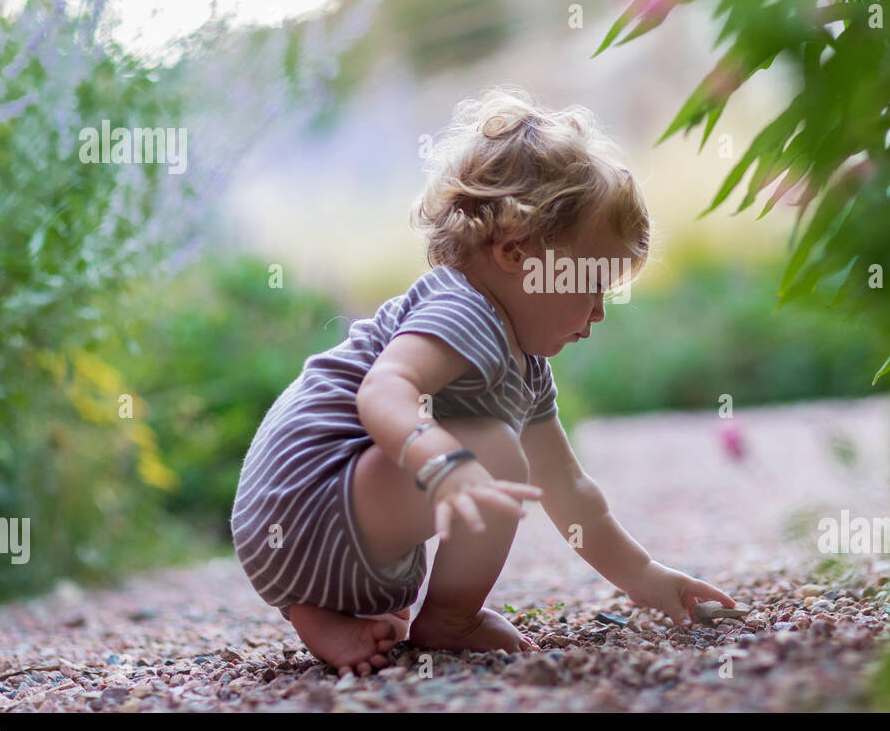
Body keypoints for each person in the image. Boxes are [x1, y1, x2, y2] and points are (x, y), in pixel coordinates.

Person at [230, 85, 736, 677]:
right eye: (590, 283)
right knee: (493, 455)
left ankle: (325, 612)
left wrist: (644, 575)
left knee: (482, 482)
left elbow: (567, 488)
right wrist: (443, 462)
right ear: (517, 252)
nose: (599, 310)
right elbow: (383, 391)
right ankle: (449, 617)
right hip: (302, 499)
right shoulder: (461, 307)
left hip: (320, 534)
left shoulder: (526, 367)